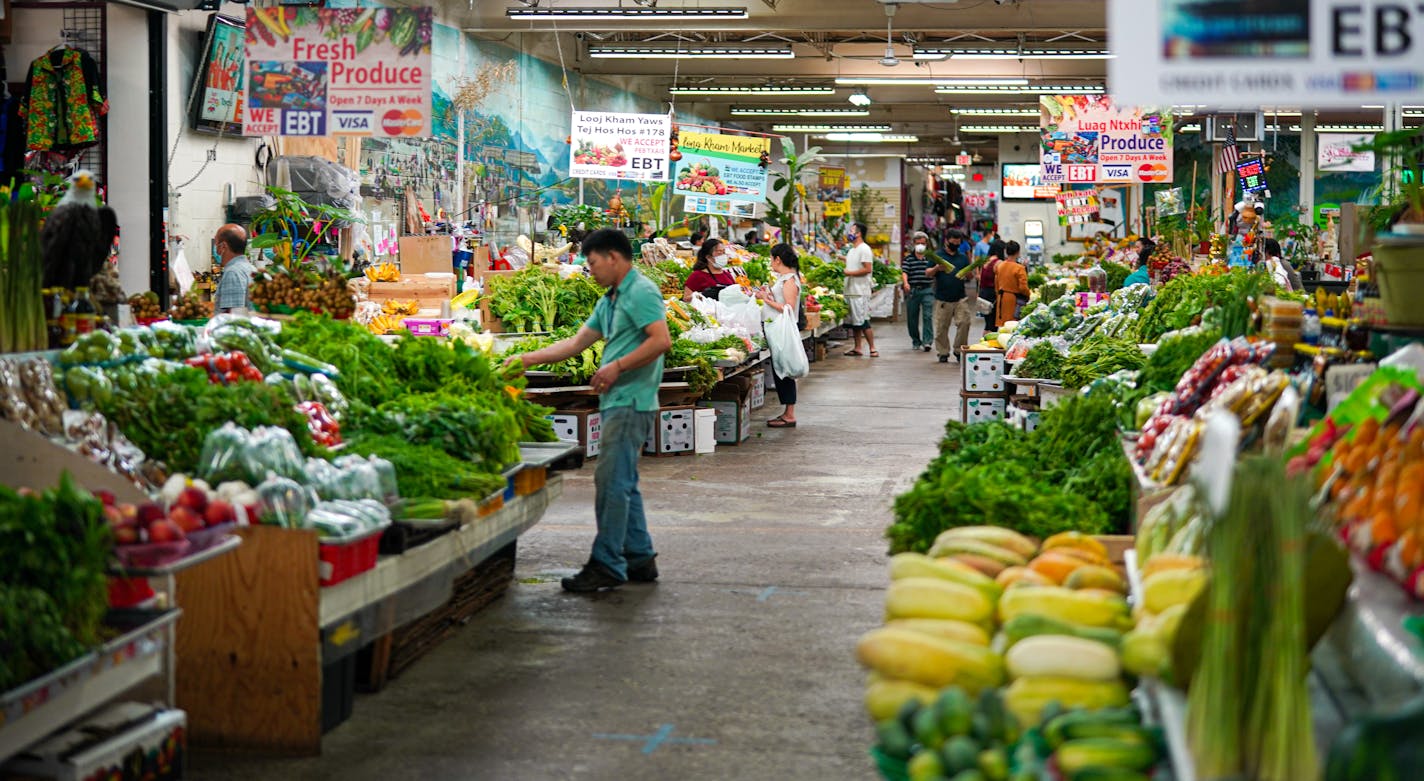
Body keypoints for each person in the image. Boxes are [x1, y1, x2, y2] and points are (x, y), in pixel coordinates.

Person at [504, 229, 672, 593]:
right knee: (623, 480)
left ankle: (607, 563)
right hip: (617, 400)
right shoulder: (610, 299)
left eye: (593, 262)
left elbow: (661, 340)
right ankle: (640, 557)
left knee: (611, 482)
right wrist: (526, 359)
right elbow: (577, 343)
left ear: (613, 257)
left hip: (631, 401)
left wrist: (617, 367)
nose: (590, 270)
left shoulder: (641, 292)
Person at [756, 244, 802, 428]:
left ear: (778, 259)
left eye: (771, 259)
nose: (770, 263)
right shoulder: (784, 278)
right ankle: (787, 412)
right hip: (777, 328)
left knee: (785, 370)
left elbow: (788, 307)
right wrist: (767, 295)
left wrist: (766, 300)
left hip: (783, 330)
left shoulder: (789, 280)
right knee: (781, 369)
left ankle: (790, 414)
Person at [926, 229, 974, 364]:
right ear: (947, 241)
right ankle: (943, 352)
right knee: (941, 327)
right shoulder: (938, 256)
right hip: (943, 298)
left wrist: (969, 271)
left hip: (960, 297)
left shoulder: (963, 257)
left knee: (965, 323)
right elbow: (928, 273)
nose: (956, 245)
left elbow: (970, 277)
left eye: (958, 243)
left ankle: (959, 350)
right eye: (953, 242)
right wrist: (936, 268)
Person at [843, 222, 879, 357]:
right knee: (855, 322)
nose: (849, 233)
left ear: (859, 233)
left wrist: (849, 273)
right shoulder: (852, 250)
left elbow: (867, 269)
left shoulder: (864, 249)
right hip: (851, 290)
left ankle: (872, 348)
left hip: (860, 291)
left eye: (852, 230)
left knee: (863, 321)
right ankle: (857, 347)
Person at [900, 230, 935, 352]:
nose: (921, 245)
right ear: (913, 244)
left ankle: (927, 341)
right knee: (912, 317)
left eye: (923, 243)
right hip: (913, 290)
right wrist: (906, 283)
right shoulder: (909, 259)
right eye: (918, 243)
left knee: (927, 316)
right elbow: (905, 272)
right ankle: (916, 340)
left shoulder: (930, 258)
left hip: (927, 290)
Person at [212, 223, 253, 314]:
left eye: (216, 243)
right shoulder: (251, 268)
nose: (215, 248)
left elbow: (232, 316)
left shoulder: (233, 272)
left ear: (223, 246)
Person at [994, 240, 1030, 327]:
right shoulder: (1019, 268)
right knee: (1012, 326)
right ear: (1018, 252)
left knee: (1002, 326)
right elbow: (1023, 288)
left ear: (1006, 252)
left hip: (1001, 298)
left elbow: (996, 284)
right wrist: (1028, 295)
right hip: (1014, 300)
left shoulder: (1000, 266)